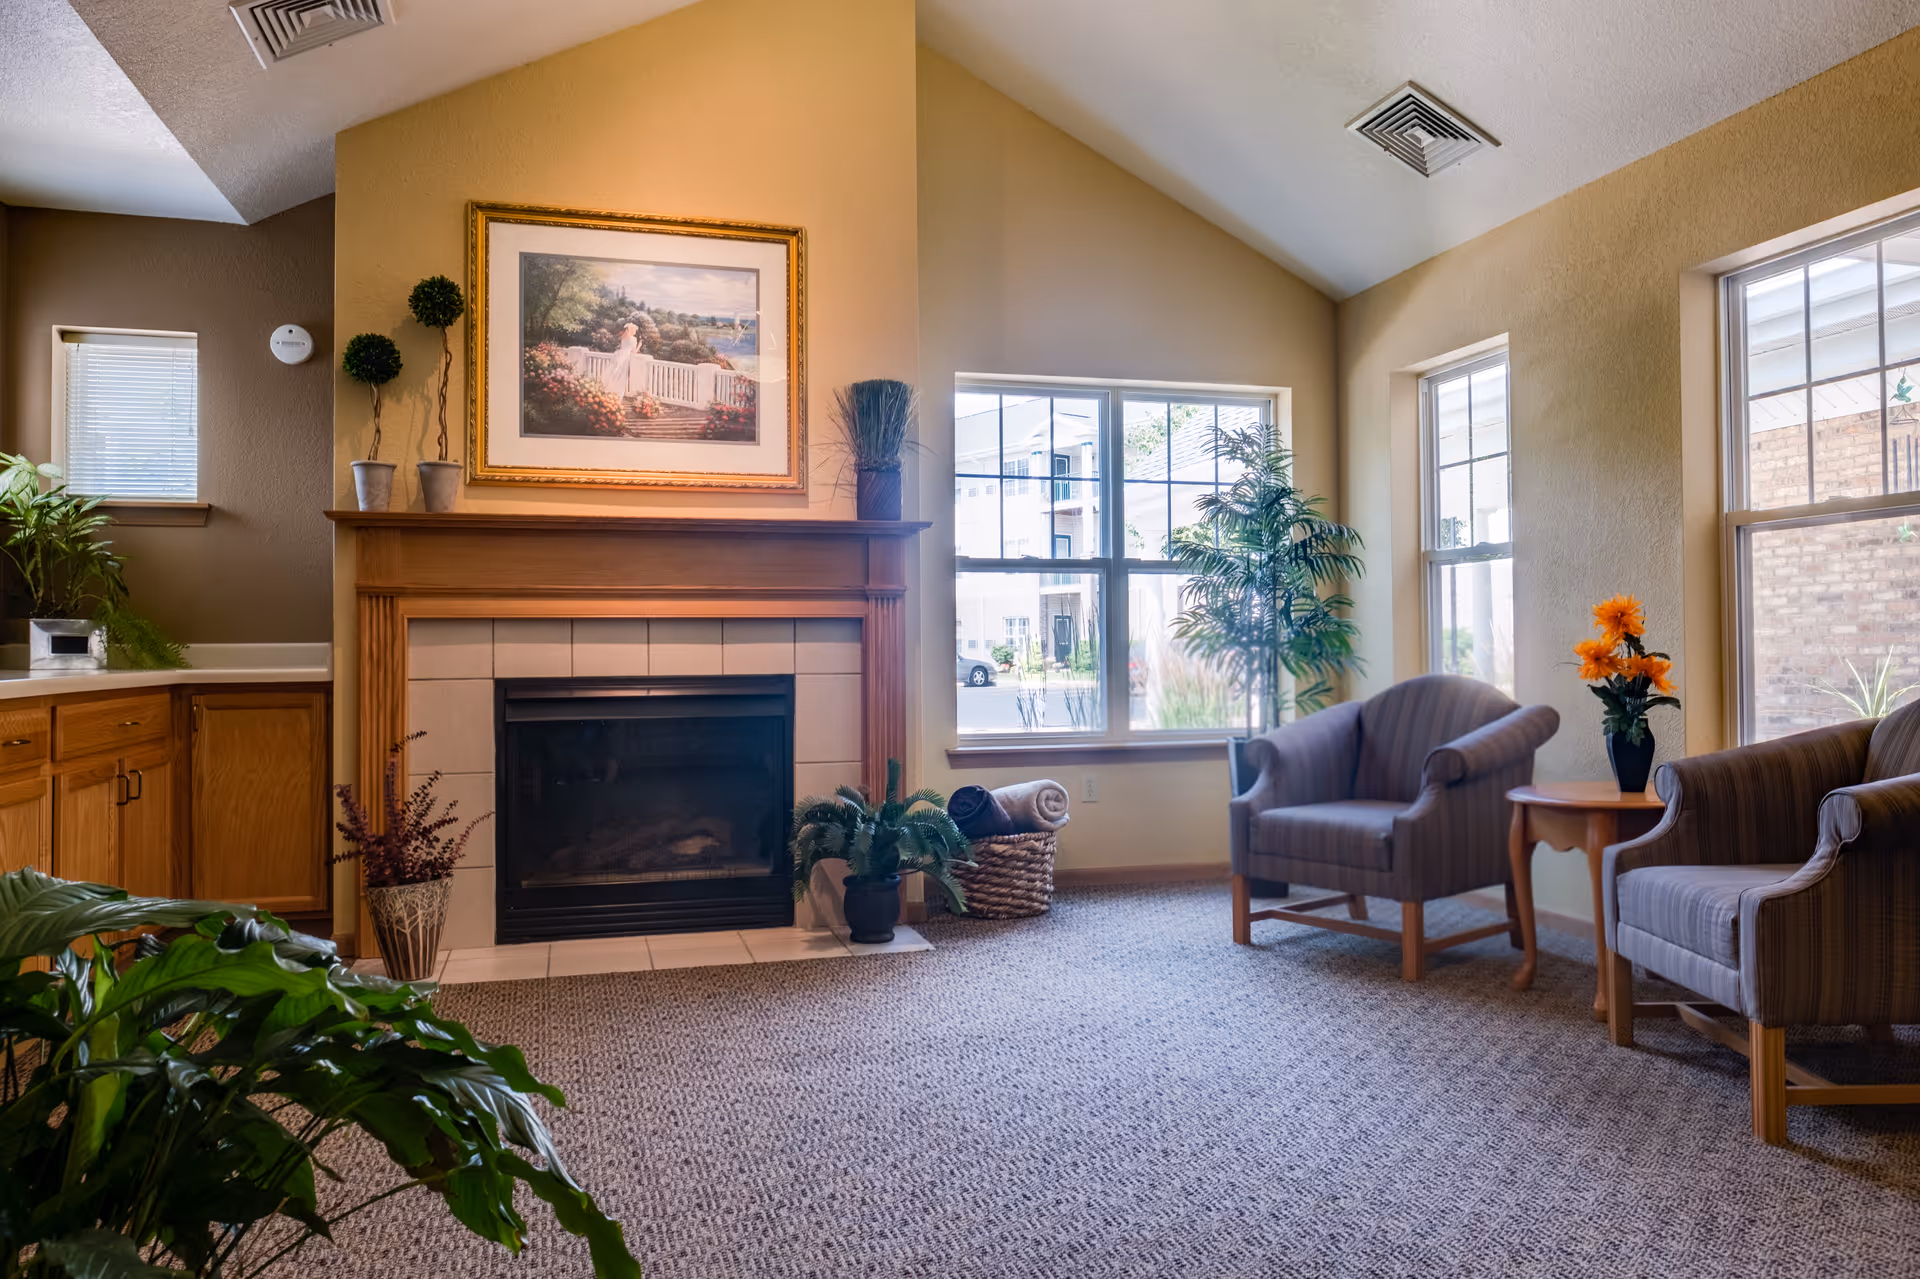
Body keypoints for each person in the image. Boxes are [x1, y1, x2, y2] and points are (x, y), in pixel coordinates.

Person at [601, 322, 638, 397]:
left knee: (614, 372)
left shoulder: (623, 338)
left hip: (618, 355)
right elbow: (634, 351)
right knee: (621, 375)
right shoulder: (634, 339)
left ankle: (610, 389)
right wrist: (640, 345)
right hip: (625, 356)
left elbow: (622, 347)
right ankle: (618, 392)